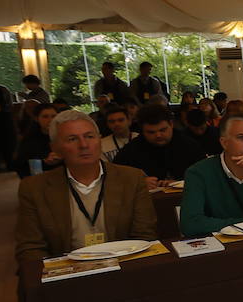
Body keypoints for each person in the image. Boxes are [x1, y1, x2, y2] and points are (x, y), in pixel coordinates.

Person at [14, 110, 157, 264]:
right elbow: (30, 248)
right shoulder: (34, 188)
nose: (83, 145)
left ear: (100, 140)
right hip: (67, 274)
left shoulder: (132, 178)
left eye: (89, 136)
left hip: (124, 266)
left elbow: (145, 236)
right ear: (55, 148)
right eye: (72, 139)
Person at [113, 104, 205, 190]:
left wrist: (181, 183)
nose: (158, 135)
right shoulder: (132, 150)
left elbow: (205, 175)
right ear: (142, 131)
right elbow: (114, 177)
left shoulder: (189, 145)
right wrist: (138, 183)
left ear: (171, 124)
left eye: (163, 130)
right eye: (151, 132)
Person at [14, 103, 61, 179]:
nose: (50, 120)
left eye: (53, 116)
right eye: (45, 117)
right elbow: (21, 166)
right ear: (36, 118)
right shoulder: (30, 140)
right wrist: (45, 162)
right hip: (41, 177)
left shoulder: (65, 136)